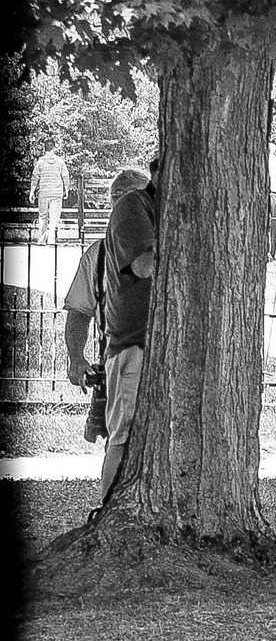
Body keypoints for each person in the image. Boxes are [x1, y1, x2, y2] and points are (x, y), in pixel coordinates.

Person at [98, 157, 159, 499]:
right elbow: (144, 265)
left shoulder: (154, 209)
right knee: (124, 434)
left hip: (154, 344)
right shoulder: (132, 206)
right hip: (131, 344)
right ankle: (107, 509)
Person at [62, 167, 152, 390]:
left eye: (130, 196)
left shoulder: (167, 252)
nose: (122, 204)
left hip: (155, 368)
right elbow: (79, 311)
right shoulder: (97, 255)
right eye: (116, 196)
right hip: (115, 371)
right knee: (101, 426)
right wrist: (76, 357)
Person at [30, 137, 70, 245]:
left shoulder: (41, 161)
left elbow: (35, 177)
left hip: (43, 193)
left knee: (43, 216)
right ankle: (51, 240)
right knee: (54, 217)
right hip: (56, 193)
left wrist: (32, 191)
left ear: (44, 148)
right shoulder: (60, 161)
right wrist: (66, 189)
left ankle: (41, 239)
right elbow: (65, 176)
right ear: (54, 147)